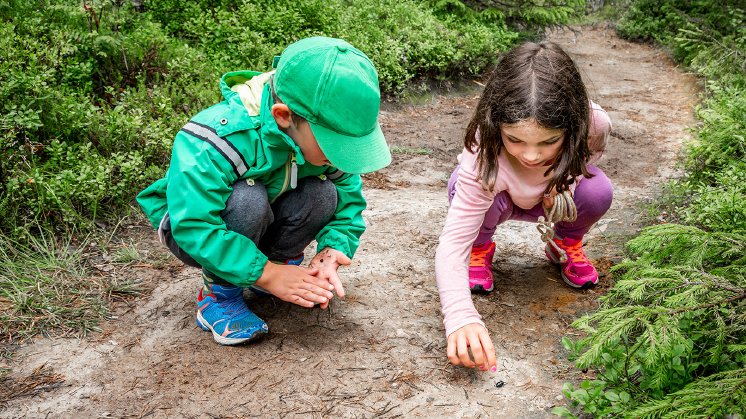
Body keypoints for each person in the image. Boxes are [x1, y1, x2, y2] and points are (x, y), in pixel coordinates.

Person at [136, 37, 391, 345]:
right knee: (248, 199)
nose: (341, 156)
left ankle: (270, 269)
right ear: (284, 117)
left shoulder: (317, 142)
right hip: (191, 229)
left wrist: (333, 248)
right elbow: (194, 225)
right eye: (334, 144)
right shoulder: (217, 138)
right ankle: (218, 295)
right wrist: (268, 274)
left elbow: (348, 200)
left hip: (260, 217)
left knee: (323, 193)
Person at [435, 41, 613, 371]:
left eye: (549, 141)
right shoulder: (483, 144)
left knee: (598, 190)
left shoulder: (595, 125)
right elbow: (451, 242)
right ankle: (482, 246)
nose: (531, 155)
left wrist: (563, 184)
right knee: (462, 183)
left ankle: (565, 241)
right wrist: (460, 316)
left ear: (572, 127)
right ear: (495, 124)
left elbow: (585, 160)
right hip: (498, 201)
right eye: (515, 139)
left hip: (552, 203)